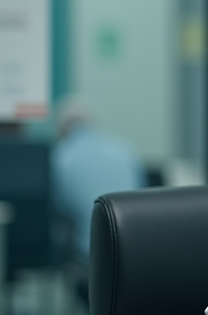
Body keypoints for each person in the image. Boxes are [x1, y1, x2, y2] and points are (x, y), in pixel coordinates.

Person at [51, 97, 144, 264]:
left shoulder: (61, 156)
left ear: (62, 129)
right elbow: (141, 199)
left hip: (90, 256)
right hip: (132, 253)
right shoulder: (124, 150)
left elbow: (60, 207)